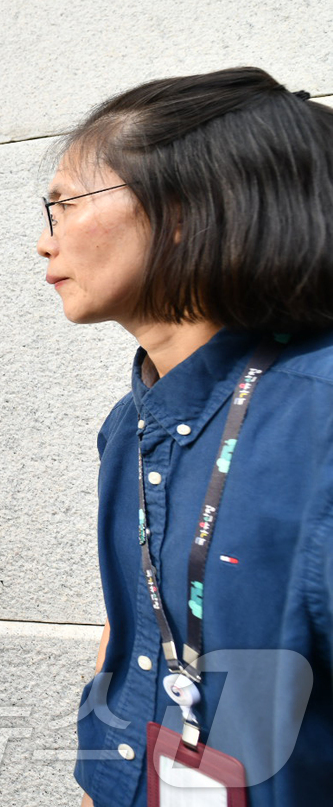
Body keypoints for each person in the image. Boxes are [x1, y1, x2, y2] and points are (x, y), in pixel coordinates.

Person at [37, 68, 333, 806]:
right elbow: (133, 646)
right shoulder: (131, 424)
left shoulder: (317, 421)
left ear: (184, 209)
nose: (46, 243)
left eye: (65, 204)